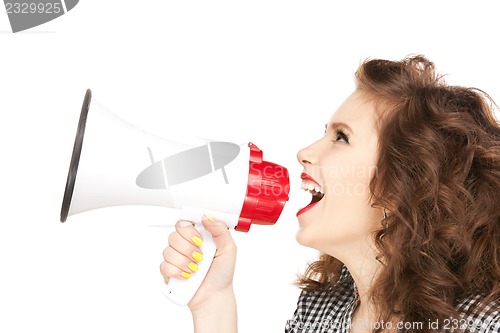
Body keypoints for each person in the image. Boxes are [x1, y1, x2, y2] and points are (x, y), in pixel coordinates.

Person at [159, 55, 500, 333]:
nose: (304, 152)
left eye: (341, 138)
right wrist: (213, 305)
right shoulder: (321, 310)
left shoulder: (481, 324)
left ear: (404, 184)